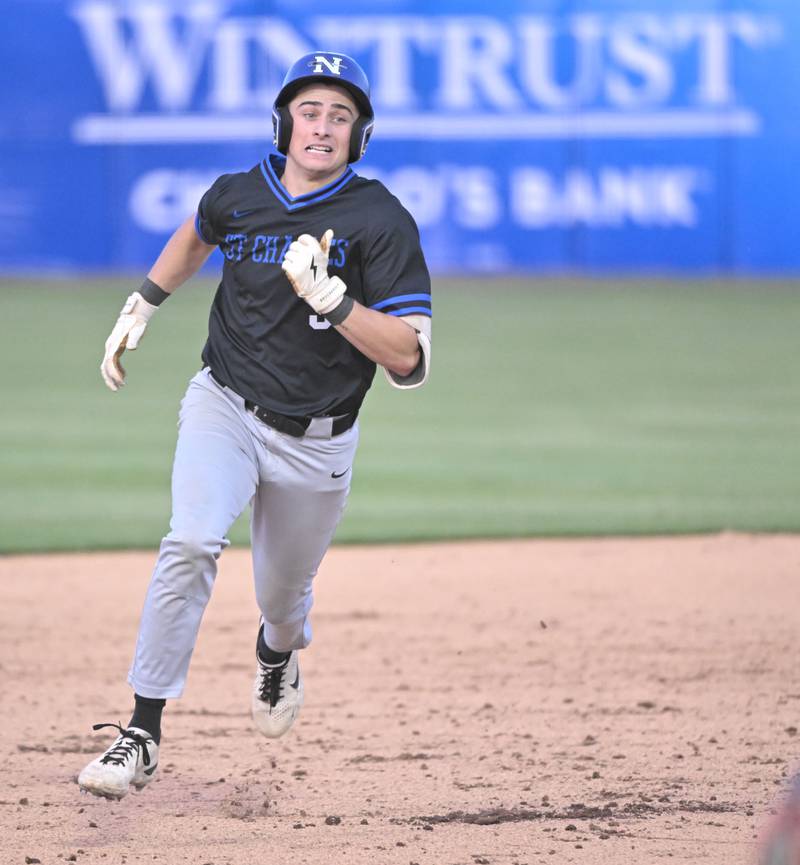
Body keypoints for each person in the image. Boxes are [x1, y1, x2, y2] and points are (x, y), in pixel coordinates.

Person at [77, 51, 432, 800]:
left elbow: (408, 356)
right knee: (192, 537)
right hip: (225, 403)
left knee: (282, 598)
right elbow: (197, 233)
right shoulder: (239, 194)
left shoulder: (378, 218)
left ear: (360, 134)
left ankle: (277, 651)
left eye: (342, 115)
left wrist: (335, 302)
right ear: (283, 122)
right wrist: (142, 302)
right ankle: (140, 731)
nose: (323, 126)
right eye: (310, 110)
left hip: (320, 441)